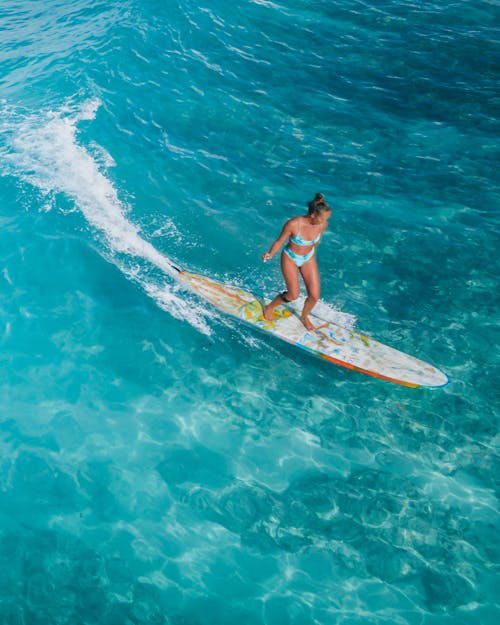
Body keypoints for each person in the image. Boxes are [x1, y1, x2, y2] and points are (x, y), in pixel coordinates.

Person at [262, 193, 332, 331]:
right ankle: (269, 307)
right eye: (323, 218)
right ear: (312, 215)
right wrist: (270, 254)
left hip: (308, 258)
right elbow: (279, 241)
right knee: (293, 295)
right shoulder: (293, 224)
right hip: (291, 257)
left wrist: (309, 258)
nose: (325, 221)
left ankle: (304, 316)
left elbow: (315, 243)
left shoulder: (322, 224)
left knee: (314, 296)